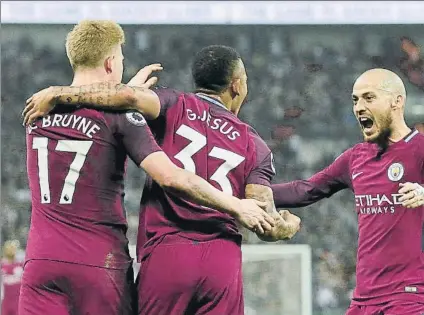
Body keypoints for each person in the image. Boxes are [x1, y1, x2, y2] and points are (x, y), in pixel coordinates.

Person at [20, 22, 280, 315]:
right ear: (110, 63)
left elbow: (85, 119)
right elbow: (170, 176)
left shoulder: (38, 113)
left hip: (40, 262)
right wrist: (236, 205)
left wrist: (127, 90)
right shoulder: (122, 117)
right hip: (99, 262)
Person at [271, 68, 424, 315]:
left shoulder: (419, 149)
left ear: (397, 101)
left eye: (369, 97)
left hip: (408, 297)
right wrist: (246, 191)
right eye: (355, 100)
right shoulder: (355, 158)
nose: (359, 107)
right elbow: (306, 190)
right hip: (363, 299)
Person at [1, 240, 23, 315]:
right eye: (9, 248)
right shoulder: (2, 265)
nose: (11, 250)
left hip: (18, 300)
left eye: (12, 248)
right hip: (6, 301)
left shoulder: (20, 264)